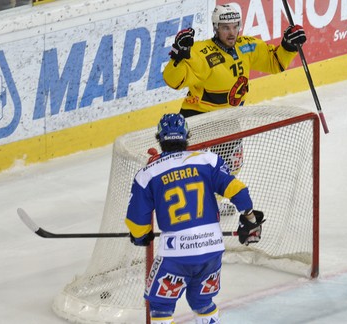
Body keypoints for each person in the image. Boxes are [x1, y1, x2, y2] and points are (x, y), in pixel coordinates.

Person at [125, 113, 265, 324]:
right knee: (203, 302)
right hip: (212, 249)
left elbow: (137, 222)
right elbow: (239, 192)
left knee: (161, 308)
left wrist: (140, 236)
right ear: (187, 135)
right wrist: (249, 217)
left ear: (159, 138)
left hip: (175, 255)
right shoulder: (208, 160)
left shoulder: (148, 173)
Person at [163, 4, 306, 117]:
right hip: (198, 118)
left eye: (235, 26)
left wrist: (288, 46)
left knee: (232, 155)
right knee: (195, 156)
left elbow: (275, 63)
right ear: (216, 28)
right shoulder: (200, 52)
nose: (232, 33)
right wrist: (178, 58)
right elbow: (174, 82)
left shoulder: (247, 46)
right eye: (225, 28)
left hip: (229, 119)